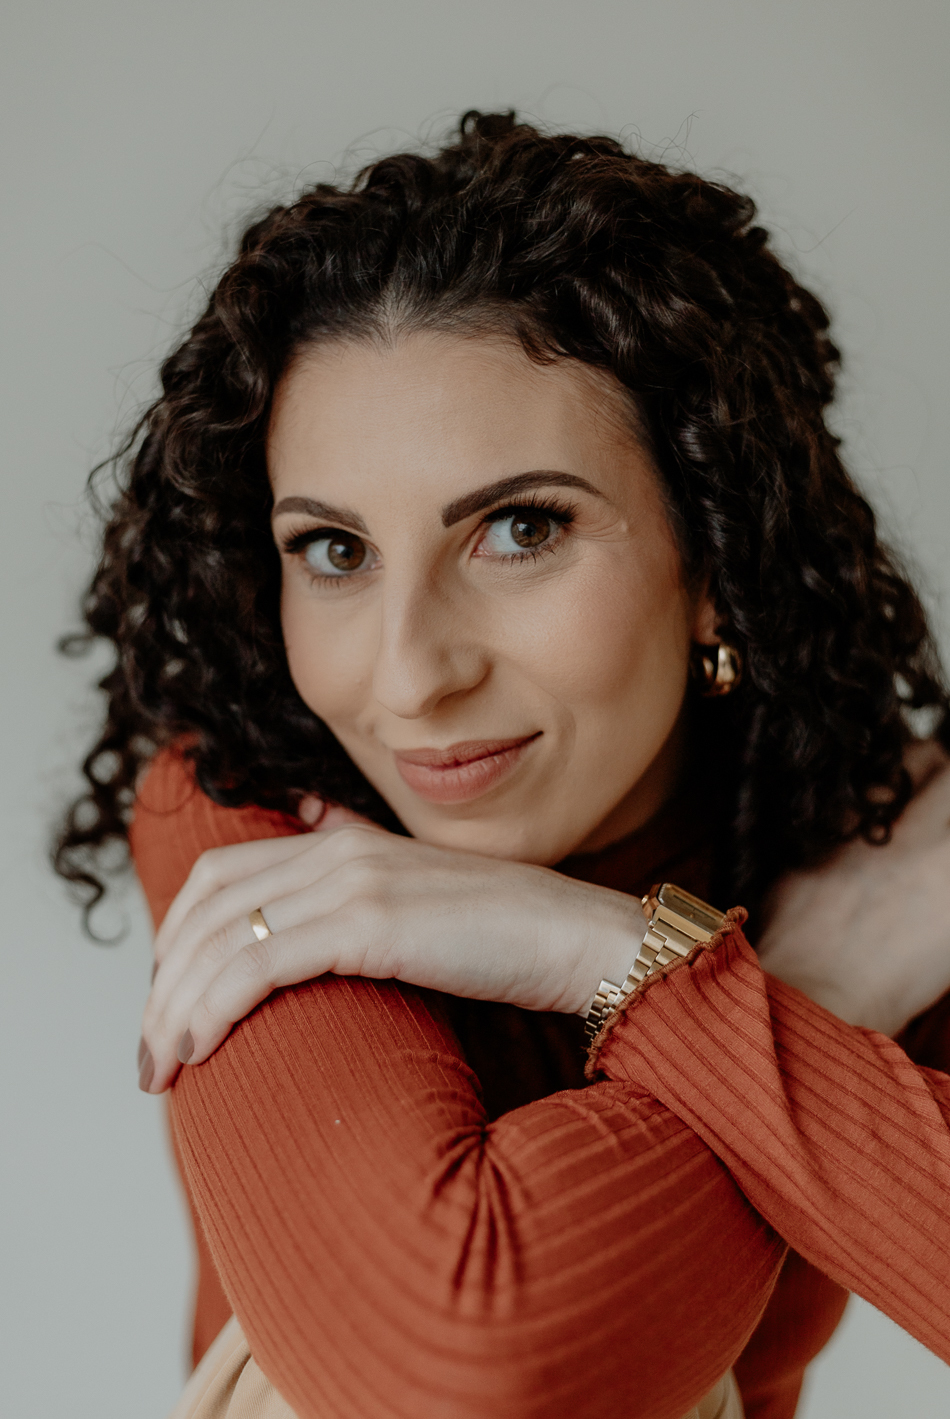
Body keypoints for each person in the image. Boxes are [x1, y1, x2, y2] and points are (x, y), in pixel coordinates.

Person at [56, 112, 950, 1419]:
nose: (411, 678)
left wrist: (598, 958)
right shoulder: (256, 815)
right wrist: (814, 987)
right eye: (334, 552)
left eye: (520, 529)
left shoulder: (880, 829)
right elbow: (466, 1365)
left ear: (716, 555)